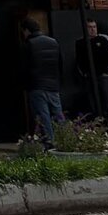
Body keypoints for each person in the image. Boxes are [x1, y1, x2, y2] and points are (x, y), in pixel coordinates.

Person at [21, 17, 66, 147]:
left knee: (42, 116)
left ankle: (49, 143)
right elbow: (60, 64)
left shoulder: (29, 45)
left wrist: (25, 85)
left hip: (36, 86)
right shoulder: (53, 42)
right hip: (53, 85)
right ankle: (64, 140)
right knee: (58, 114)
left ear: (27, 30)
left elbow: (24, 67)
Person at [79, 21, 108, 135]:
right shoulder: (81, 42)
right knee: (93, 104)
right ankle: (98, 132)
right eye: (89, 27)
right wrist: (84, 73)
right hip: (90, 77)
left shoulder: (103, 39)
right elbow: (79, 60)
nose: (92, 29)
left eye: (94, 27)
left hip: (104, 76)